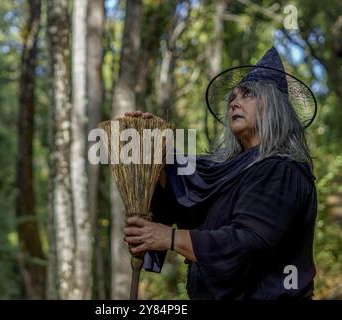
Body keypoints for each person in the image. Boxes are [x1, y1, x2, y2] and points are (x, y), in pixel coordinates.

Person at [123, 47, 318, 299]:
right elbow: (188, 197)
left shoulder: (283, 170)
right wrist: (155, 145)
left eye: (247, 95)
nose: (234, 102)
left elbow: (247, 243)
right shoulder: (227, 171)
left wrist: (170, 238)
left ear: (274, 106)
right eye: (232, 98)